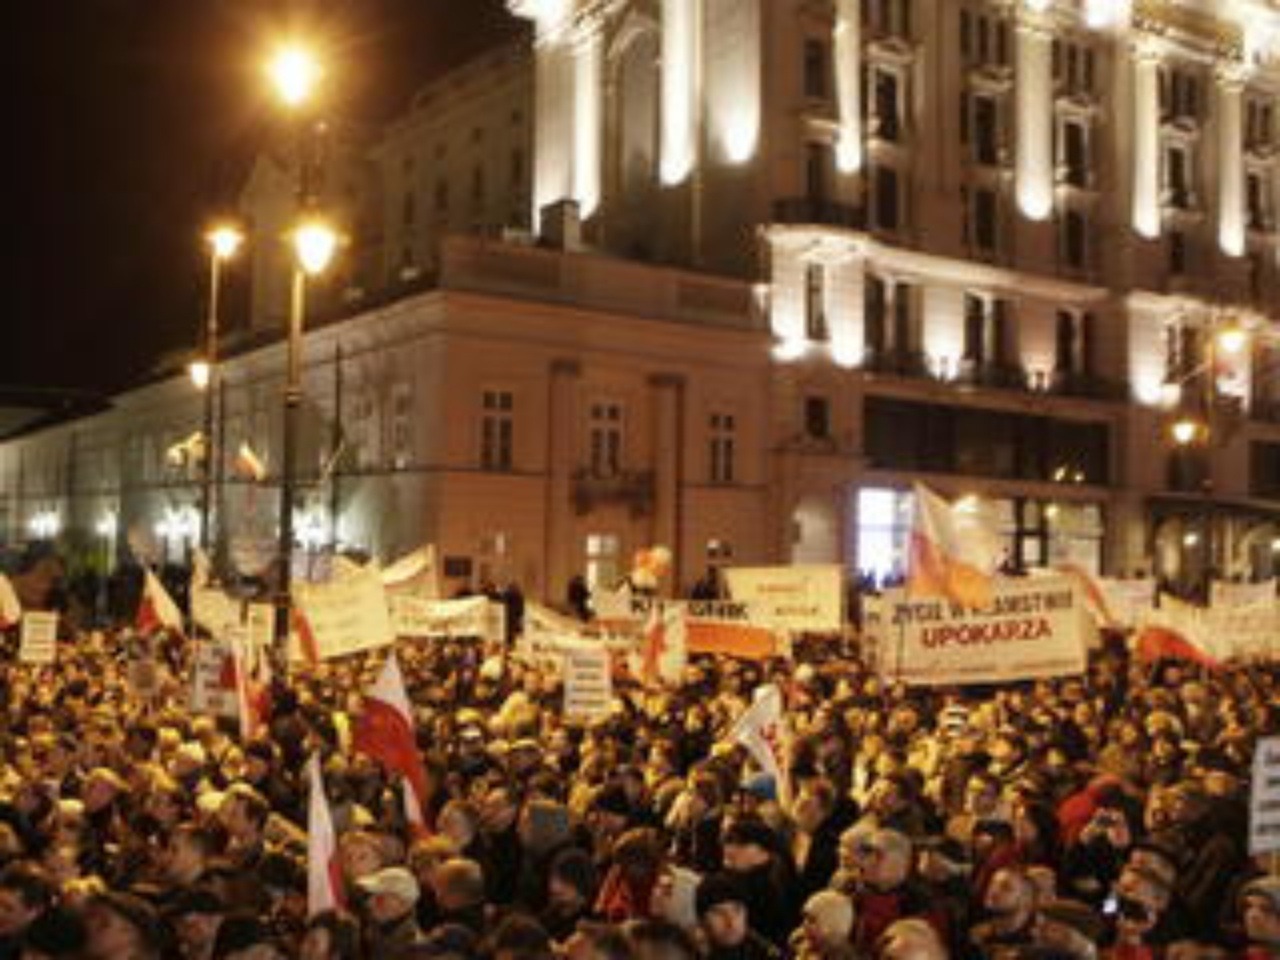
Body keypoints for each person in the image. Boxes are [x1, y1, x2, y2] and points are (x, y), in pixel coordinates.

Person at [695, 873, 779, 960]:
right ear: (703, 920)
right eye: (719, 913)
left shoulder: (769, 952)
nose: (730, 921)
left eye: (737, 910)